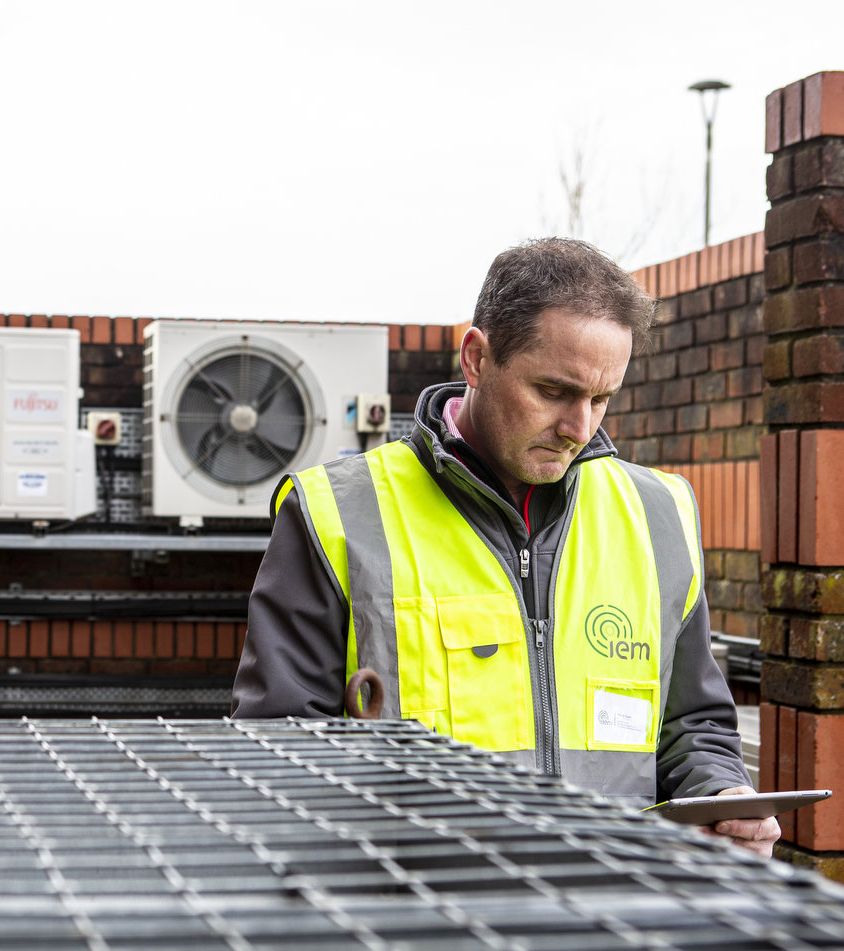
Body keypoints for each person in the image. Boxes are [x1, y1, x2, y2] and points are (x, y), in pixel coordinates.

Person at [231, 237, 779, 858]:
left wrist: (721, 796)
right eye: (553, 391)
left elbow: (694, 726)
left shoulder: (659, 515)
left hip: (615, 904)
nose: (579, 428)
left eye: (601, 399)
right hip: (414, 906)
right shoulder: (337, 512)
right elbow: (278, 748)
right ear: (476, 359)